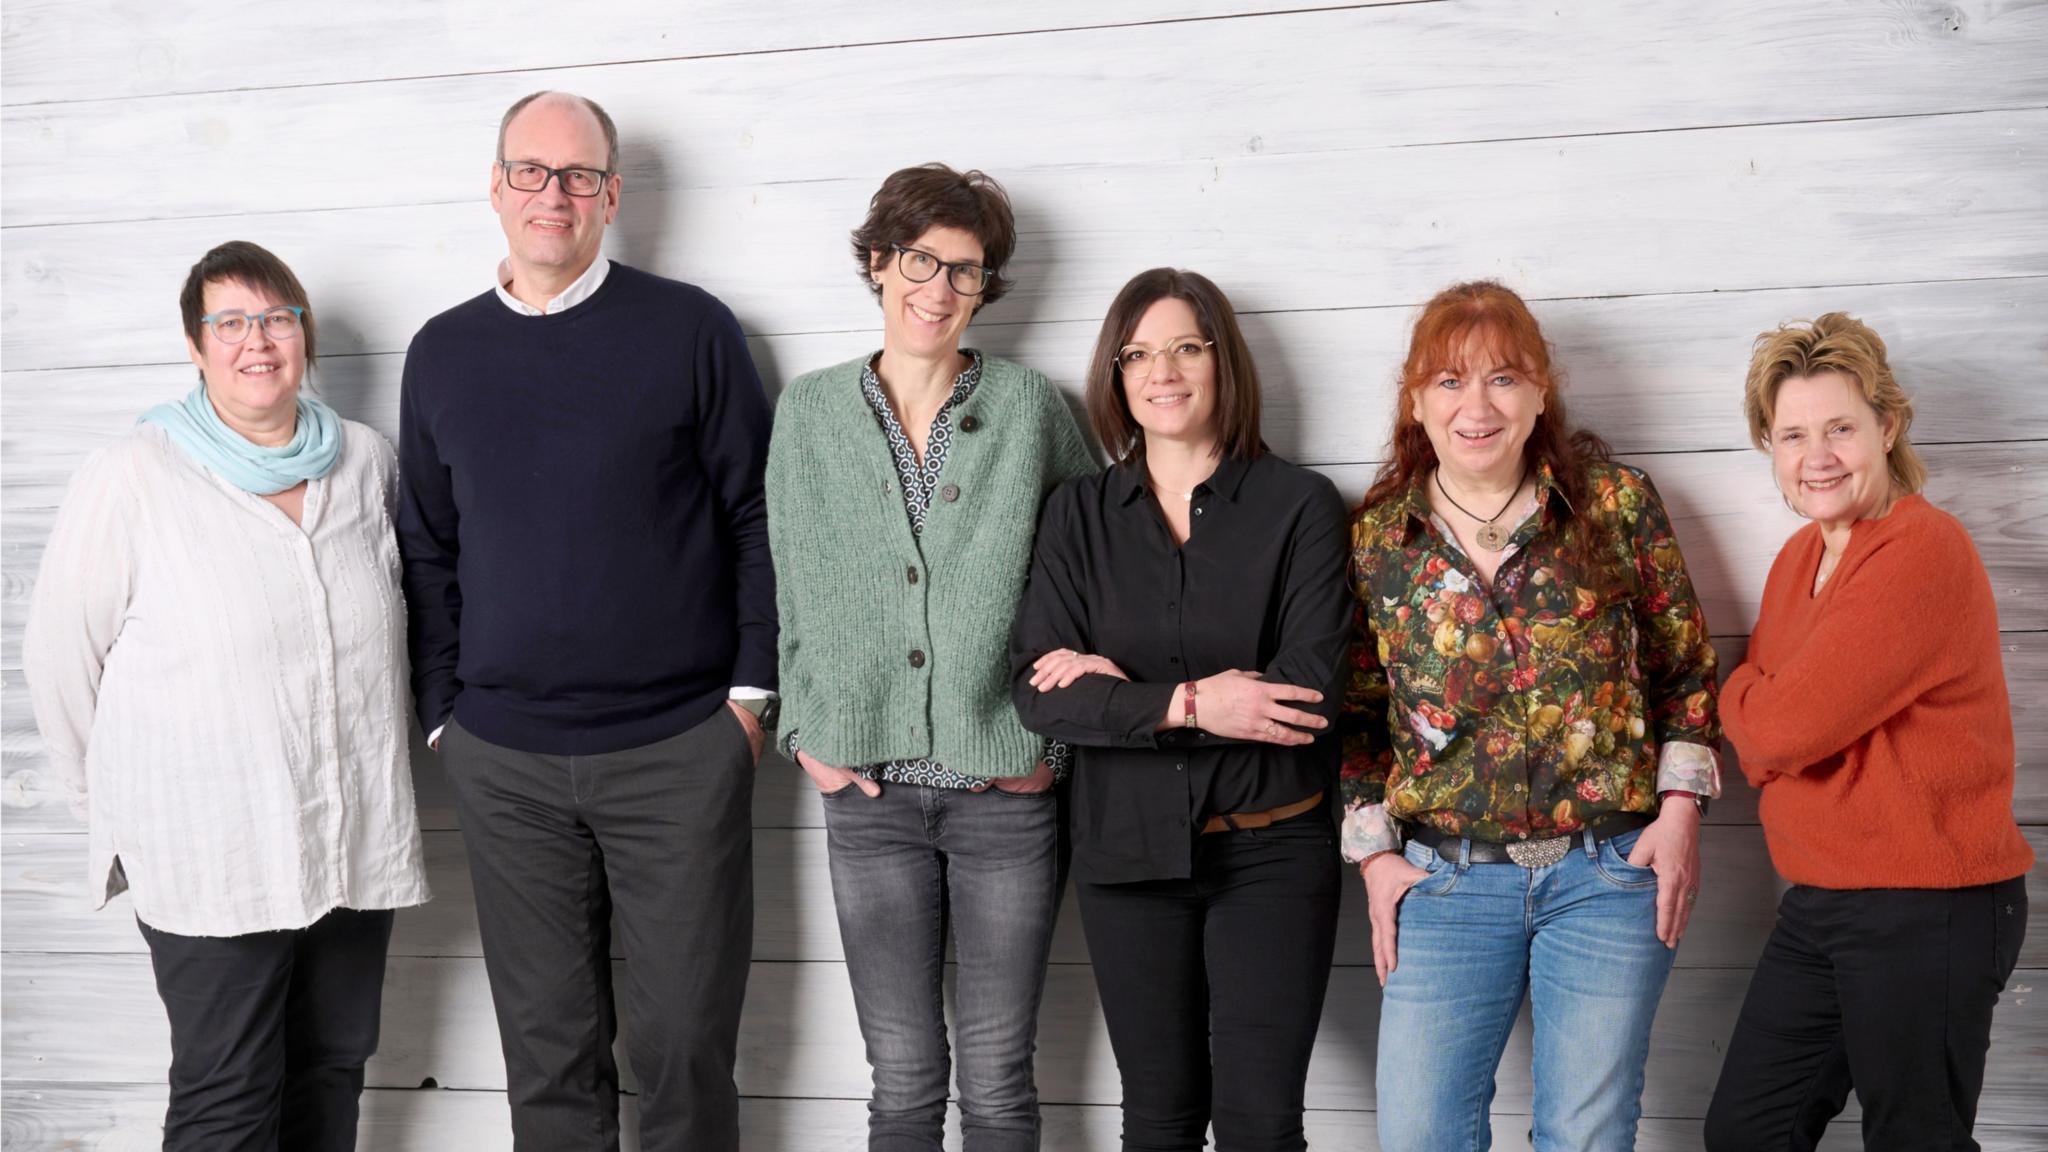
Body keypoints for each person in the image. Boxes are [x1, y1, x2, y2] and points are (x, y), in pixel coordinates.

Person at [396, 91, 775, 1151]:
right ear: (496, 186)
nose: (552, 194)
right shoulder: (441, 352)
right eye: (531, 170)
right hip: (505, 763)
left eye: (577, 175)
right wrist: (444, 718)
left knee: (682, 1048)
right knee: (547, 1059)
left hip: (677, 750)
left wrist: (749, 699)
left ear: (610, 196)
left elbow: (757, 514)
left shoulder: (690, 328)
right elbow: (426, 548)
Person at [23, 240, 429, 1152]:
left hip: (351, 837)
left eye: (277, 318)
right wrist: (113, 810)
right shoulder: (135, 473)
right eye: (231, 322)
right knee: (228, 1093)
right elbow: (60, 661)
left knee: (330, 1070)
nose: (258, 340)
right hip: (211, 851)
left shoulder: (365, 462)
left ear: (303, 335)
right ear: (196, 345)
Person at [1340, 280, 1721, 1152]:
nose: (1477, 406)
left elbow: (1685, 670)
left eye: (1503, 378)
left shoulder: (1615, 504)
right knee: (1420, 1136)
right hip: (1443, 883)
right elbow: (1358, 716)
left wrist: (1680, 813)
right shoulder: (1378, 541)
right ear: (1415, 402)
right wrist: (1374, 861)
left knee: (1585, 1136)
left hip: (1608, 876)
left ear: (1541, 393)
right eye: (1450, 381)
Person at [766, 163, 1094, 1152]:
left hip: (1004, 794)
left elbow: (1091, 581)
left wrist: (1051, 751)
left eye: (964, 270)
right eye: (919, 260)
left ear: (985, 287)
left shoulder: (1031, 408)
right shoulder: (809, 411)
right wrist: (804, 733)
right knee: (902, 1079)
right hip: (866, 795)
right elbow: (787, 583)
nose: (938, 289)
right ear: (878, 262)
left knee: (997, 1078)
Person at [1010, 268, 1351, 1151]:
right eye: (1137, 355)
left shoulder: (1301, 506)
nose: (1162, 371)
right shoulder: (1076, 515)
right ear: (1116, 375)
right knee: (1156, 1123)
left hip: (1273, 850)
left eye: (1186, 348)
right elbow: (1041, 695)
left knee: (1259, 1126)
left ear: (1222, 360)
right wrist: (1197, 699)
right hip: (1126, 857)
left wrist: (1119, 692)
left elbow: (1308, 695)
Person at [1703, 313, 2032, 1152]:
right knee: (1747, 1133)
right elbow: (1778, 725)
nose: (1817, 456)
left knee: (1916, 1141)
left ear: (1887, 427)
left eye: (1840, 428)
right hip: (1823, 899)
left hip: (1930, 904)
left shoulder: (1921, 551)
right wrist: (1765, 712)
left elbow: (1778, 732)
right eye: (1793, 435)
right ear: (1770, 447)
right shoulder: (1796, 561)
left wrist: (1746, 698)